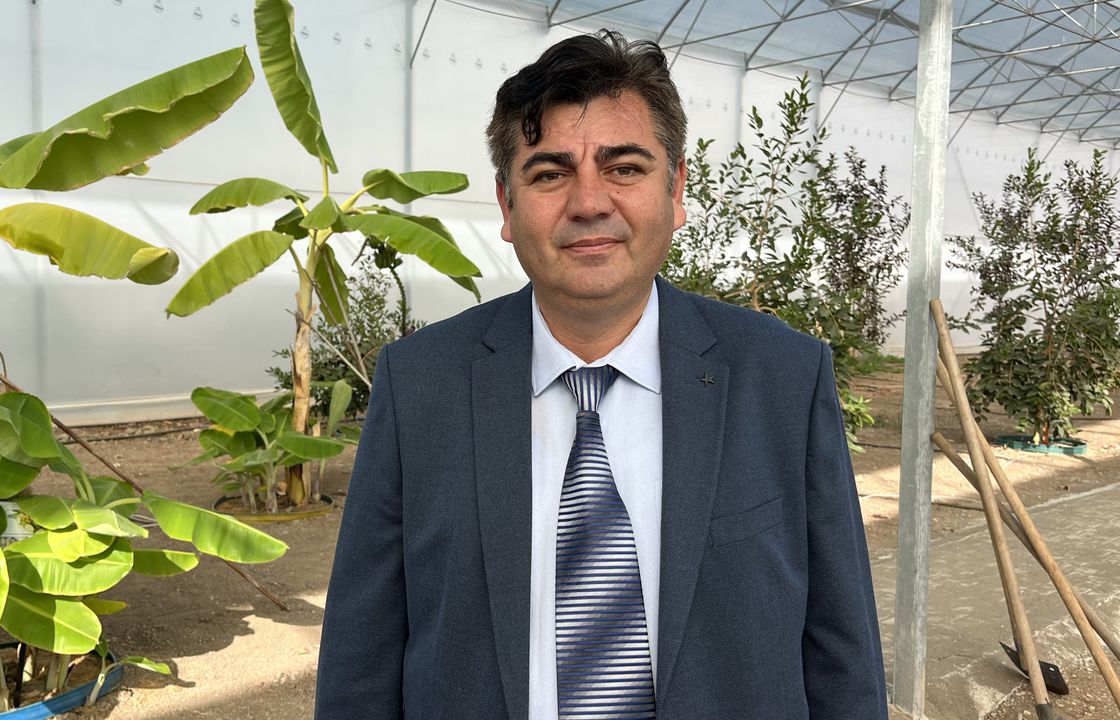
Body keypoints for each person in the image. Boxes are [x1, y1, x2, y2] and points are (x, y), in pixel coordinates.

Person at [313, 29, 886, 720]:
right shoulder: (419, 386)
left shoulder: (783, 378)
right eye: (549, 174)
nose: (589, 202)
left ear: (676, 189)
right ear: (507, 205)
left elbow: (842, 652)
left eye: (624, 168)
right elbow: (361, 659)